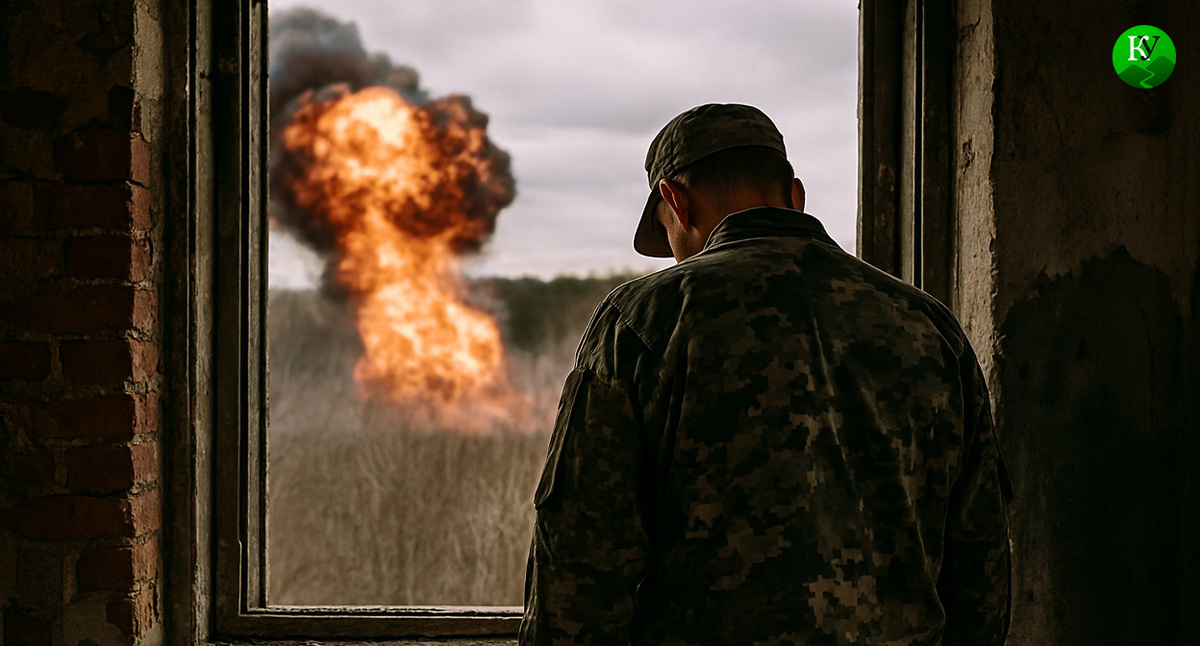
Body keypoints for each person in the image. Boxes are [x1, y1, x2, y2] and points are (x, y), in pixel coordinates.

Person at [520, 103, 1012, 645]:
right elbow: (980, 571)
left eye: (666, 233)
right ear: (795, 196)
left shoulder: (642, 323)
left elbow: (579, 574)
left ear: (675, 202)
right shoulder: (930, 327)